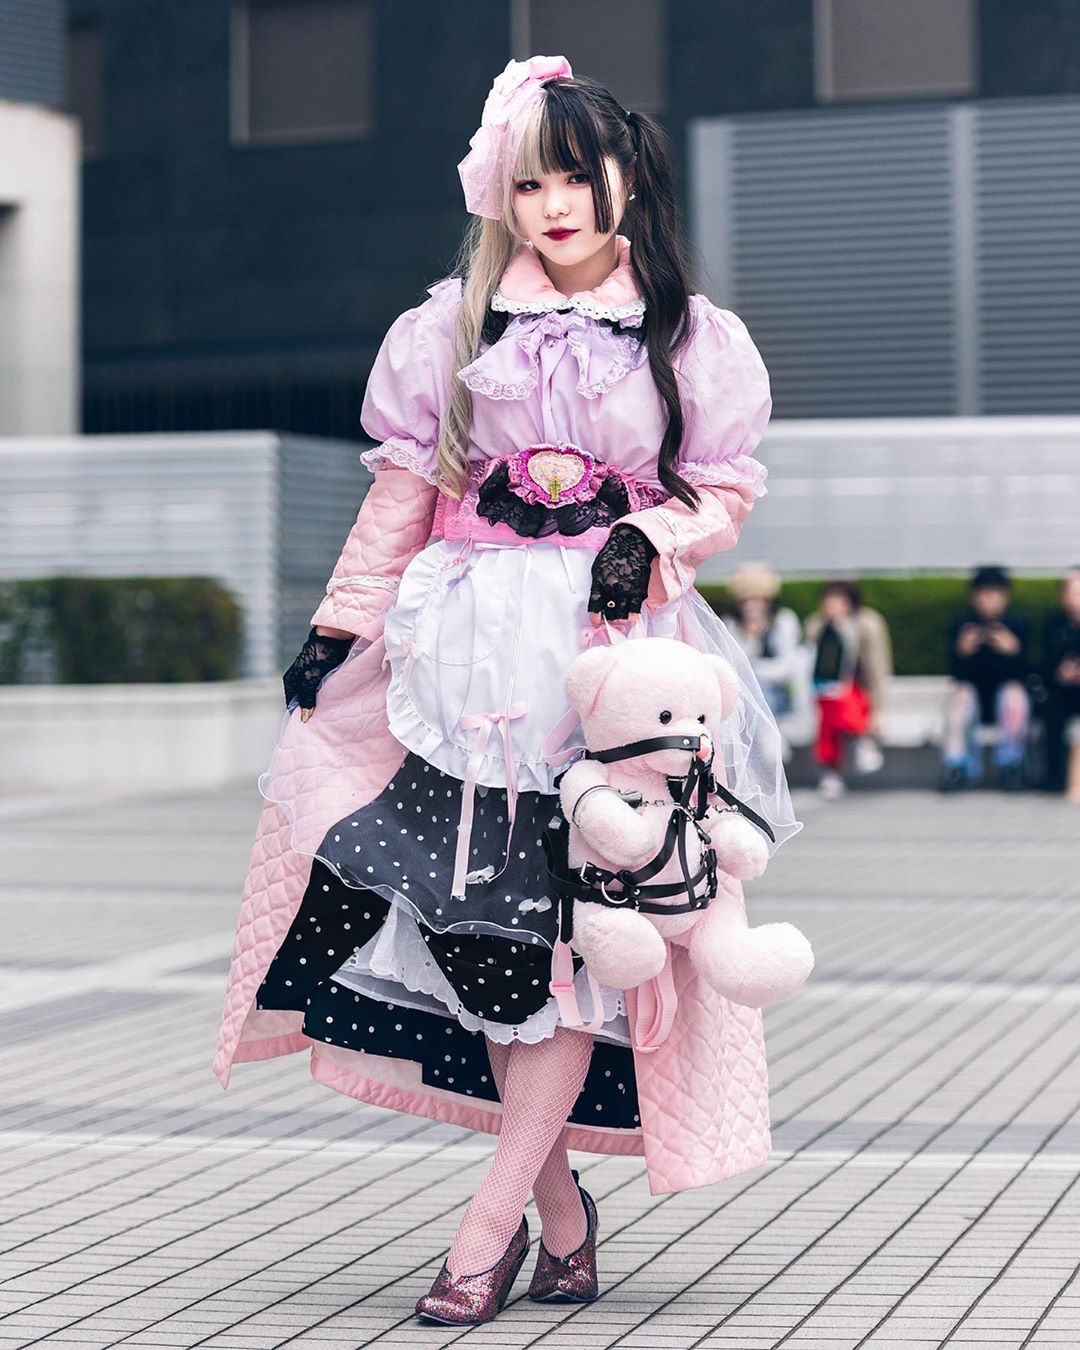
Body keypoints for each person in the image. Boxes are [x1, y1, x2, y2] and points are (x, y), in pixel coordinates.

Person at [213, 55, 800, 1325]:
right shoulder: (452, 328)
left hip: (606, 670)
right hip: (460, 660)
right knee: (494, 946)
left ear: (625, 177)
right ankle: (565, 1222)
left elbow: (727, 488)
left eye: (576, 175)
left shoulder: (686, 334)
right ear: (503, 196)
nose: (555, 203)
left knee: (579, 949)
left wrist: (665, 535)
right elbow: (401, 497)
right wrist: (337, 626)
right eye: (529, 180)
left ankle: (483, 1236)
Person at [940, 564, 1031, 792]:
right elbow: (956, 675)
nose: (988, 600)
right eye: (983, 594)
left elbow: (1028, 674)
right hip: (974, 698)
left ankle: (1011, 766)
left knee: (1014, 695)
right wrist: (962, 651)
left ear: (1005, 597)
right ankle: (957, 767)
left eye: (994, 594)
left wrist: (1013, 651)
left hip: (1003, 699)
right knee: (959, 697)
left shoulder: (1016, 624)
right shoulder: (963, 624)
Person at [802, 580, 892, 799]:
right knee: (829, 713)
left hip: (856, 690)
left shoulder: (867, 624)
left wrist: (878, 711)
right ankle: (862, 741)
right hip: (822, 691)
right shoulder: (817, 625)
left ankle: (830, 772)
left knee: (837, 706)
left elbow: (876, 667)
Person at [723, 561, 807, 757]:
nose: (754, 606)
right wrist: (750, 638)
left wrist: (757, 673)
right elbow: (734, 666)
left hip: (777, 695)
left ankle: (769, 737)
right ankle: (768, 739)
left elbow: (785, 668)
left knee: (760, 687)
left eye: (759, 599)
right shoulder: (732, 625)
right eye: (747, 600)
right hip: (743, 696)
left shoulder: (784, 621)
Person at [1040, 566, 1080, 797]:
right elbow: (1043, 665)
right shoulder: (1054, 625)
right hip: (1062, 692)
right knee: (1052, 709)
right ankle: (1055, 777)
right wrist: (1060, 673)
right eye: (1073, 592)